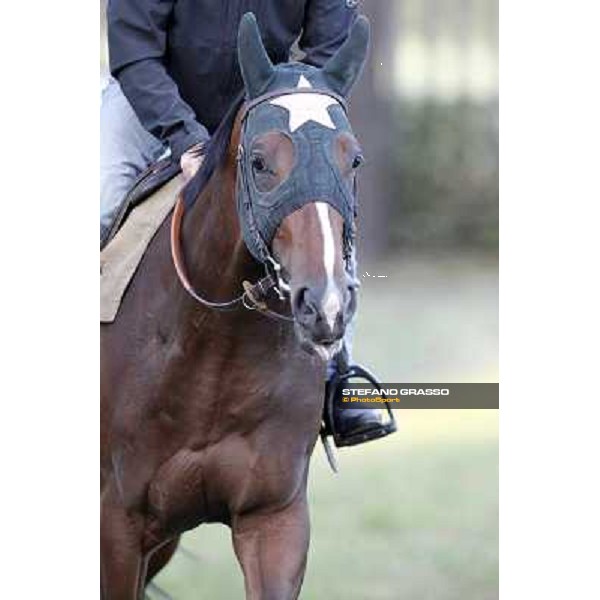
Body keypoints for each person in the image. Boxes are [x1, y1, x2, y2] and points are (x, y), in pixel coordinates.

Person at [101, 0, 394, 446]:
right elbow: (135, 47)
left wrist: (284, 102)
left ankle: (338, 373)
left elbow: (333, 45)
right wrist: (183, 134)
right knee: (96, 198)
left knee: (323, 198)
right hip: (152, 94)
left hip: (268, 103)